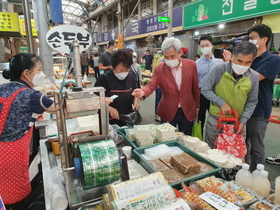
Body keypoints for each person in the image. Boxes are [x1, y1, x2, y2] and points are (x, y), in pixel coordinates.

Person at [0, 53, 55, 209]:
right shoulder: (32, 96)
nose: (42, 74)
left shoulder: (3, 88)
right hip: (10, 159)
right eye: (39, 70)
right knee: (16, 200)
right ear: (26, 73)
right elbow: (63, 109)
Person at [132, 37, 200, 135]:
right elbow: (152, 84)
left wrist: (197, 105)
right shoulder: (160, 68)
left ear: (180, 52)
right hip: (168, 110)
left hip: (187, 110)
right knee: (166, 140)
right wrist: (143, 91)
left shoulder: (191, 65)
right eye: (166, 57)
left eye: (172, 56)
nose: (169, 60)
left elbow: (195, 88)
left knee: (186, 139)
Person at [201, 41, 259, 149]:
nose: (242, 65)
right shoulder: (218, 69)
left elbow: (252, 101)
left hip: (238, 122)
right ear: (232, 57)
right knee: (212, 152)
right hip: (216, 120)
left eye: (248, 62)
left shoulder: (254, 76)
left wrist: (243, 121)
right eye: (239, 61)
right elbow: (205, 89)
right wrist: (221, 103)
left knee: (234, 155)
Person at [246, 24, 280, 171]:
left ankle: (256, 175)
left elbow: (252, 79)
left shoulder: (272, 59)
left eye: (253, 38)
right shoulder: (249, 58)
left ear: (264, 39)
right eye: (249, 38)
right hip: (244, 107)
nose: (250, 41)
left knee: (256, 145)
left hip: (259, 109)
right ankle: (243, 171)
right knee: (244, 143)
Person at [94, 49, 139, 126]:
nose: (124, 72)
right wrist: (109, 109)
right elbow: (94, 98)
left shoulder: (131, 77)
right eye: (121, 70)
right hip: (109, 121)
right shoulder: (104, 79)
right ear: (113, 67)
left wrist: (135, 102)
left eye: (127, 69)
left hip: (127, 118)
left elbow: (136, 92)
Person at [196, 35, 224, 138]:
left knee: (216, 119)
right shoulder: (196, 64)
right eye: (202, 46)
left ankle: (217, 141)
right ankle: (199, 140)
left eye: (207, 45)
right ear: (200, 48)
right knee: (200, 119)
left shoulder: (220, 62)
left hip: (217, 96)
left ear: (212, 45)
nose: (205, 47)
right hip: (202, 95)